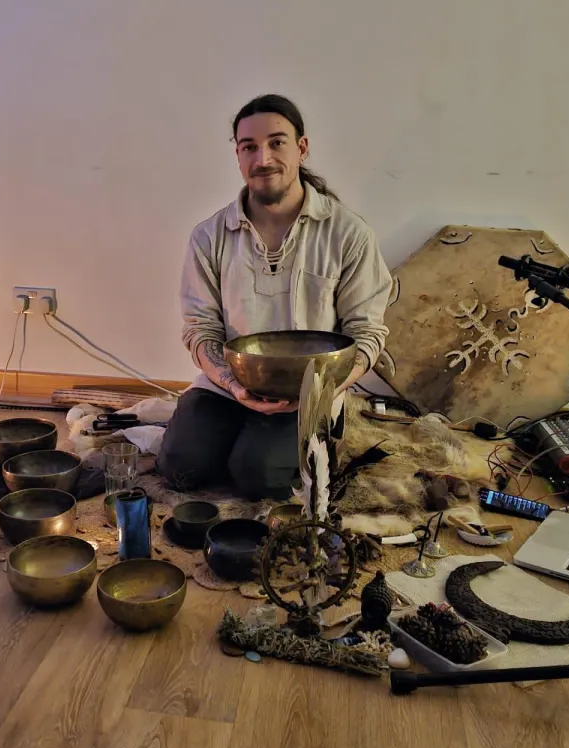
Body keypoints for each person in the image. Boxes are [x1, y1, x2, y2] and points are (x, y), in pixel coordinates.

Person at [156, 94, 393, 500]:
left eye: (276, 142)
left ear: (301, 148)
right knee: (180, 468)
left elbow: (366, 334)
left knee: (259, 476)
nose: (262, 158)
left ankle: (311, 435)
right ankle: (236, 432)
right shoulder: (209, 236)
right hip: (228, 387)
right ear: (237, 154)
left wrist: (322, 395)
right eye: (249, 146)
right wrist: (233, 385)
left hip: (309, 393)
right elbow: (200, 327)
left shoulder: (348, 234)